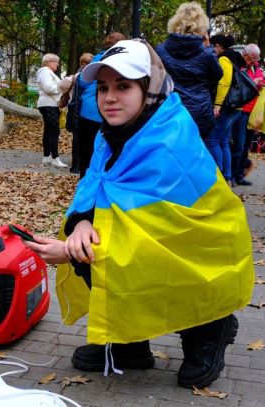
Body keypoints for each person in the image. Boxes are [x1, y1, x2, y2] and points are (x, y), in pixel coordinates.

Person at [23, 40, 253, 389]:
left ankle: (209, 330)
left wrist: (72, 252)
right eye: (103, 88)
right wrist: (81, 222)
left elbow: (153, 239)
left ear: (150, 87)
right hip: (153, 243)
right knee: (88, 245)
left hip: (197, 249)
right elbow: (97, 183)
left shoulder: (168, 140)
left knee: (99, 257)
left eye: (123, 86)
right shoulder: (115, 132)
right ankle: (130, 340)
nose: (109, 97)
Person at [156, 1, 222, 139]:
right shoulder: (207, 53)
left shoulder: (161, 50)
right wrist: (208, 47)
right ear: (202, 27)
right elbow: (217, 75)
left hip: (170, 111)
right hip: (200, 113)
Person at [77, 32, 126, 178]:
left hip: (88, 111)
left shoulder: (97, 58)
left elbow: (82, 82)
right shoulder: (124, 59)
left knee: (86, 148)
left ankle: (85, 179)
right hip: (112, 112)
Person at [207, 34, 245, 186]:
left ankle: (220, 179)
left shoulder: (224, 59)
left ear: (217, 46)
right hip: (236, 106)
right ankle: (227, 177)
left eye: (212, 46)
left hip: (226, 106)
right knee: (223, 142)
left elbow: (224, 83)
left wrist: (217, 104)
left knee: (212, 140)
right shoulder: (235, 58)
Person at [231, 43, 263, 186]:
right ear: (245, 54)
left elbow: (260, 80)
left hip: (253, 111)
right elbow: (238, 85)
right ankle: (231, 176)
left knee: (246, 147)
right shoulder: (240, 67)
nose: (254, 61)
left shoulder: (256, 68)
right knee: (238, 145)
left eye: (256, 58)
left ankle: (239, 175)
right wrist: (253, 83)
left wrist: (259, 83)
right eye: (252, 58)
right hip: (241, 110)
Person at [36, 53, 73, 168]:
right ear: (49, 62)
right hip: (49, 104)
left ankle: (46, 156)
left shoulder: (47, 72)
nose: (57, 64)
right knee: (54, 131)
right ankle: (55, 158)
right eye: (56, 62)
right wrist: (63, 90)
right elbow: (48, 87)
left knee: (48, 130)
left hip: (48, 104)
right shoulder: (45, 72)